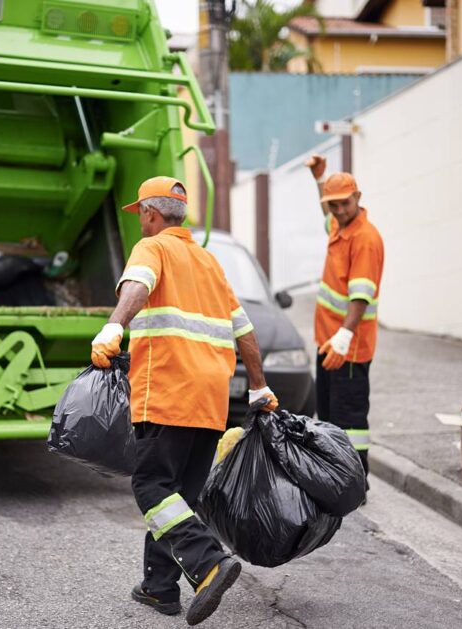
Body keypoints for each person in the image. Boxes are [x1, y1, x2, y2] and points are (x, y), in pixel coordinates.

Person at [90, 176, 278, 625]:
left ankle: (207, 561)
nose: (141, 223)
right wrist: (258, 386)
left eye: (141, 216)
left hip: (167, 390)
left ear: (153, 215)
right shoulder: (210, 263)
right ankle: (159, 589)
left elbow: (136, 287)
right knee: (178, 497)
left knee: (151, 487)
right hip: (210, 400)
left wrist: (114, 326)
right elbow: (245, 332)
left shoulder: (153, 248)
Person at [304, 155, 384, 475]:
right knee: (330, 414)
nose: (338, 210)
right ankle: (334, 475)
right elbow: (327, 211)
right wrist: (319, 178)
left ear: (358, 199)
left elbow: (361, 297)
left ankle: (355, 479)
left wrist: (344, 337)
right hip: (329, 342)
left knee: (350, 419)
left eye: (344, 204)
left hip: (348, 348)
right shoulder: (340, 227)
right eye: (334, 205)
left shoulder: (365, 239)